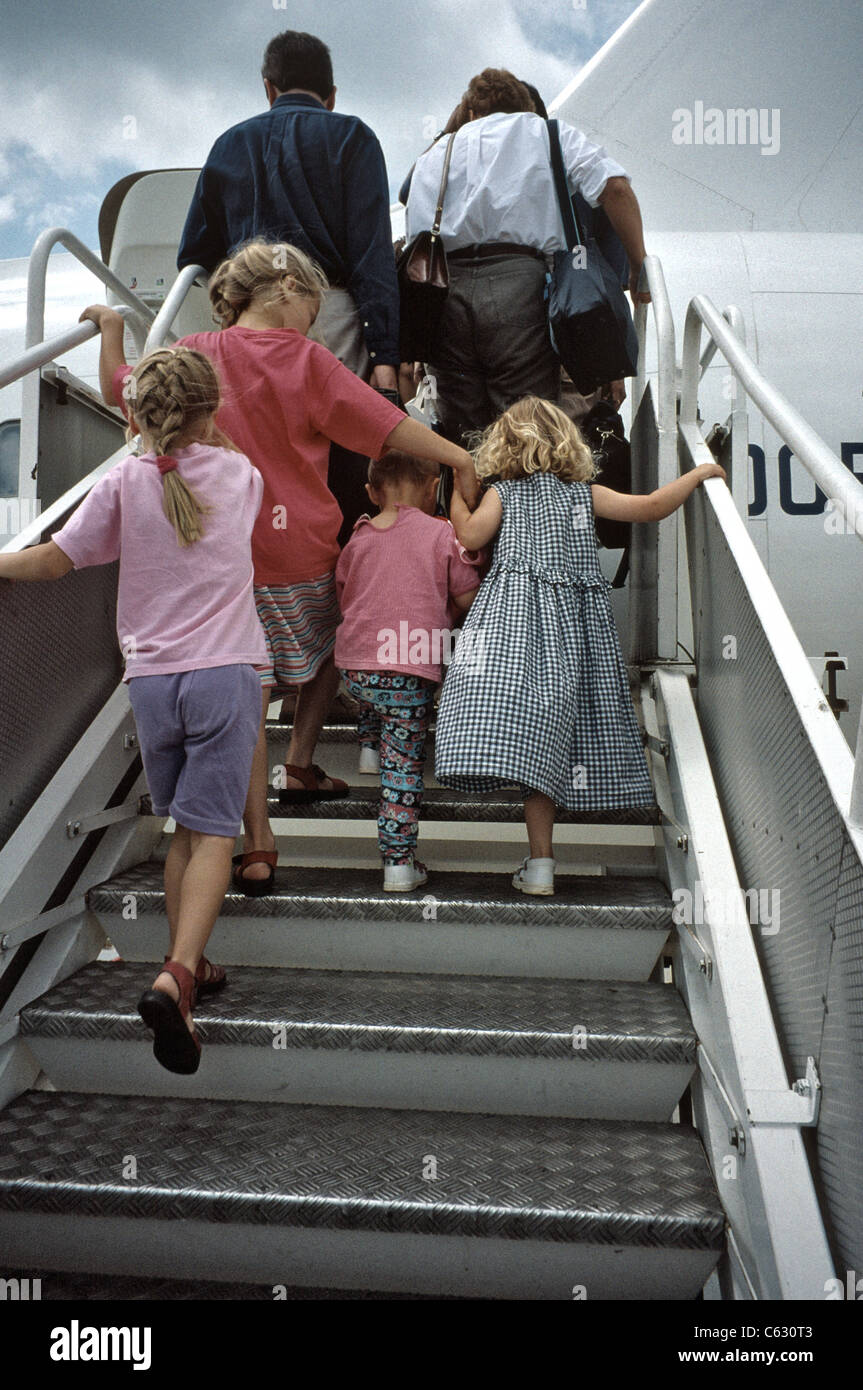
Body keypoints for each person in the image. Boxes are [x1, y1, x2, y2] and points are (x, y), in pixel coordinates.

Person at [82, 240, 479, 893]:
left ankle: (259, 841)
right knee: (333, 648)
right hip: (302, 558)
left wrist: (114, 327)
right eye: (313, 304)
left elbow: (119, 388)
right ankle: (300, 758)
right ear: (287, 289)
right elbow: (383, 426)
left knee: (250, 701)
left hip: (223, 570)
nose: (315, 318)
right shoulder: (305, 359)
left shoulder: (192, 355)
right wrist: (457, 459)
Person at [0, 347, 267, 1073]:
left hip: (150, 684)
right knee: (214, 836)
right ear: (211, 411)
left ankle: (190, 961)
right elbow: (218, 456)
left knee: (184, 830)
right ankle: (175, 977)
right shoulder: (241, 476)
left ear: (135, 416)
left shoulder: (122, 480)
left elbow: (56, 560)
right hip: (224, 675)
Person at [436, 397, 726, 896]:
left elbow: (470, 534)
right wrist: (697, 475)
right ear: (567, 444)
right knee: (561, 733)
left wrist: (455, 499)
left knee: (524, 731)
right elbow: (651, 507)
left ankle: (540, 858)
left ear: (503, 445)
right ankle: (542, 862)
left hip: (514, 631)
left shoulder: (503, 493)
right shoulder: (583, 495)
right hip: (575, 638)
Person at [176, 30, 401, 538]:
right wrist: (386, 358)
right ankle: (337, 571)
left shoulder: (228, 144)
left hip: (249, 319)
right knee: (340, 449)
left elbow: (193, 254)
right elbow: (372, 257)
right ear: (332, 94)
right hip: (330, 311)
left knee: (258, 447)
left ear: (269, 88)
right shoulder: (354, 137)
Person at [403, 68, 650, 444]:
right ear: (526, 108)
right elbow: (614, 188)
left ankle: (468, 497)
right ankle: (523, 500)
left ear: (470, 111)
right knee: (525, 432)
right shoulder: (546, 133)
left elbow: (413, 221)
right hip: (518, 285)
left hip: (446, 295)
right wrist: (637, 264)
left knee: (463, 435)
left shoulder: (436, 153)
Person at [335, 451, 480, 891]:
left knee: (373, 675)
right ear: (433, 486)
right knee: (403, 767)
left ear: (371, 493)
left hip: (356, 667)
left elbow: (346, 595)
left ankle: (366, 748)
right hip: (410, 668)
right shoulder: (441, 534)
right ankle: (398, 862)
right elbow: (468, 595)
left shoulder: (357, 539)